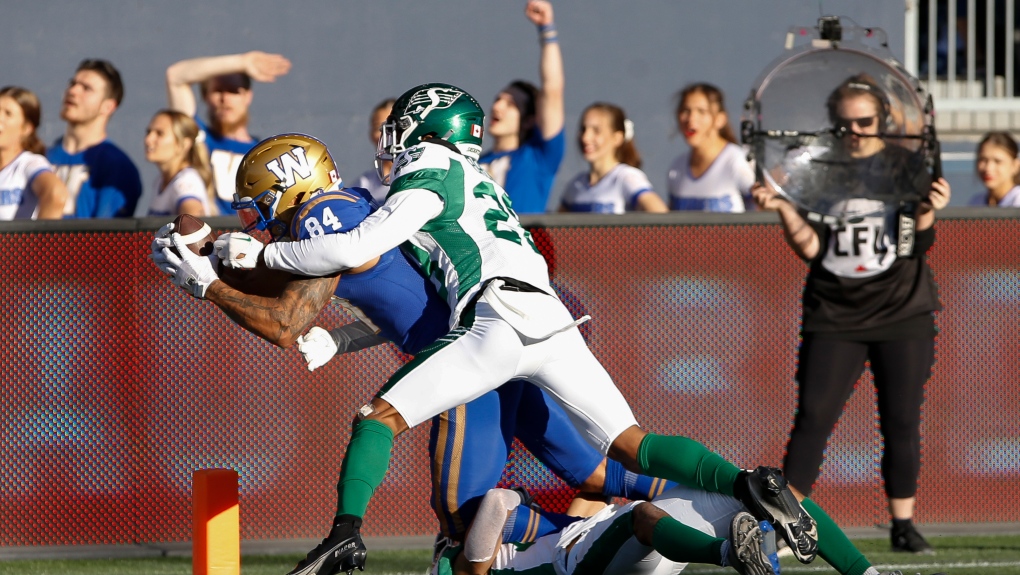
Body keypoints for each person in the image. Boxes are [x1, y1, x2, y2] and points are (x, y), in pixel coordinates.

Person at [206, 83, 901, 575]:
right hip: (549, 318)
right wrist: (347, 335)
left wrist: (258, 254)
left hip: (497, 319)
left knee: (376, 417)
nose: (395, 144)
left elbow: (353, 250)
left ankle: (344, 536)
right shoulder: (484, 183)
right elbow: (417, 271)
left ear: (430, 133)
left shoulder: (427, 171)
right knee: (633, 443)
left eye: (406, 128)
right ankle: (755, 484)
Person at [151, 133, 676, 554]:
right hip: (505, 343)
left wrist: (209, 284)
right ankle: (715, 510)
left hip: (466, 362)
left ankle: (598, 540)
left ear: (290, 190)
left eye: (259, 205)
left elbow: (284, 323)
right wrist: (211, 260)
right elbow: (375, 292)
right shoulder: (346, 207)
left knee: (463, 517)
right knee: (602, 471)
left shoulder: (320, 218)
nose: (257, 221)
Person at [751, 73, 952, 556]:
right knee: (814, 417)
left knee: (901, 420)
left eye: (865, 121)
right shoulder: (821, 169)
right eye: (846, 123)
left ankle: (903, 524)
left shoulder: (906, 165)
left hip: (901, 310)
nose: (856, 131)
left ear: (883, 119)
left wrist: (927, 211)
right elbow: (814, 248)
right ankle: (788, 525)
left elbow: (913, 244)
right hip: (834, 311)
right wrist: (782, 207)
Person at [435, 486, 944, 575]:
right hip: (583, 565)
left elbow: (586, 505)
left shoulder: (524, 554)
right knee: (641, 519)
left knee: (768, 490)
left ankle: (868, 571)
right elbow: (497, 504)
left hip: (600, 541)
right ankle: (731, 553)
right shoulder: (479, 569)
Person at [165, 50, 291, 214]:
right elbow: (175, 77)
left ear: (248, 97)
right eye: (218, 90)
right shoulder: (197, 137)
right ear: (205, 96)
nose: (225, 98)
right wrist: (242, 63)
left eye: (234, 91)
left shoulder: (263, 154)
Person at [478, 0, 564, 214]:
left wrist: (547, 29)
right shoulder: (473, 163)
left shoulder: (538, 157)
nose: (497, 107)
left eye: (511, 104)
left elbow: (552, 91)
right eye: (498, 99)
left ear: (529, 120)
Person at [47, 59, 141, 218]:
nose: (73, 91)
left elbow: (107, 237)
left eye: (86, 88)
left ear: (108, 106)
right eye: (72, 83)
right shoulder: (40, 157)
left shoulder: (117, 165)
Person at [559, 102, 668, 213]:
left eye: (596, 131)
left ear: (617, 138)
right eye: (583, 129)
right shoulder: (576, 185)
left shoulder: (626, 177)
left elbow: (661, 216)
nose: (585, 138)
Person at [667, 83, 755, 212]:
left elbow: (764, 212)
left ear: (720, 119)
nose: (691, 119)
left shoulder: (737, 161)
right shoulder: (676, 169)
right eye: (685, 111)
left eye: (701, 111)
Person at [0, 86, 68, 220]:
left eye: (8, 113)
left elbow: (55, 194)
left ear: (26, 128)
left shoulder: (29, 163)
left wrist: (42, 239)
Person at [144, 109, 213, 217]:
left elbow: (194, 222)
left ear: (184, 144)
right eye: (148, 132)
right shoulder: (160, 181)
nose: (148, 139)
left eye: (159, 133)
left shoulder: (185, 183)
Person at [355, 98, 396, 205]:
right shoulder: (363, 184)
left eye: (387, 127)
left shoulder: (418, 178)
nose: (379, 135)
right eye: (376, 127)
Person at [970, 130, 1020, 207]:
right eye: (983, 160)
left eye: (998, 161)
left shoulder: (1017, 201)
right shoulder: (975, 202)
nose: (988, 168)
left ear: (1015, 166)